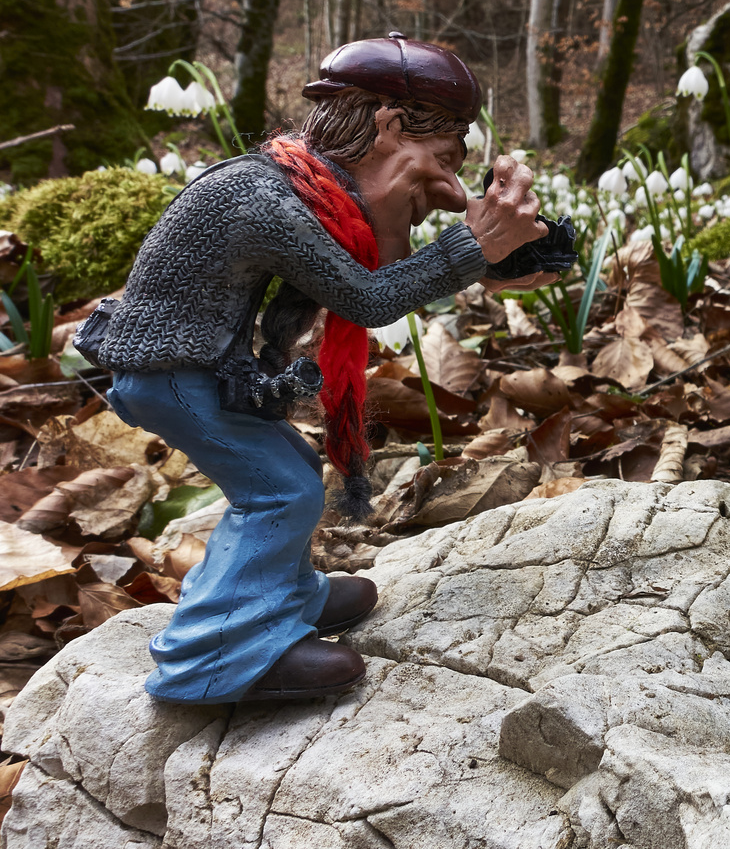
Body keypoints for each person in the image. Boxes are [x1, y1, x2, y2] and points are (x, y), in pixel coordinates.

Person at [88, 34, 555, 704]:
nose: (454, 190)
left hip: (189, 367)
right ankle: (211, 657)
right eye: (446, 159)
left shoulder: (295, 187)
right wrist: (474, 244)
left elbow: (378, 269)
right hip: (169, 376)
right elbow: (368, 297)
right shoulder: (265, 202)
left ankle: (283, 593)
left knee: (294, 471)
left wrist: (495, 254)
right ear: (388, 127)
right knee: (280, 491)